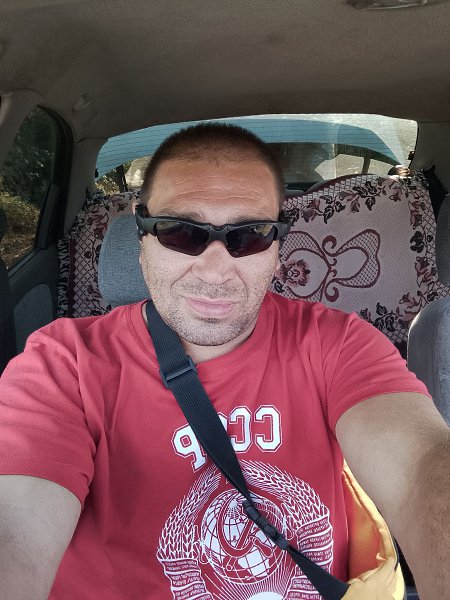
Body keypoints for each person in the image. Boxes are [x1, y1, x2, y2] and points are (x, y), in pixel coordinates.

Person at [0, 124, 448, 600]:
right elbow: (16, 521)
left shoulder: (339, 343)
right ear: (140, 232)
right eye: (180, 231)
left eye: (249, 235)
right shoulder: (63, 363)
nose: (214, 271)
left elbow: (422, 465)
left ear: (278, 245)